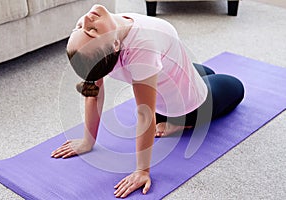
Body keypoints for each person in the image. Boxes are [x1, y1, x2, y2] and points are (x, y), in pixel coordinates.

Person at [51, 4, 244, 198]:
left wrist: (88, 140)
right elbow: (144, 114)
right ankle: (179, 123)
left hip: (164, 74)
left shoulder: (106, 38)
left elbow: (95, 83)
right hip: (185, 106)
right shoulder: (135, 48)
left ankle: (183, 99)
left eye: (79, 27)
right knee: (236, 86)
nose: (85, 21)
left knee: (207, 72)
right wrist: (142, 170)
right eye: (90, 31)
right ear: (115, 46)